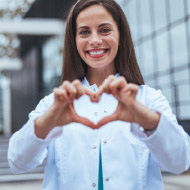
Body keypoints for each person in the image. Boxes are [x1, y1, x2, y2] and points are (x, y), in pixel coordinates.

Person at [8, 0, 190, 189]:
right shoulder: (53, 104)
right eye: (84, 32)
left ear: (121, 34)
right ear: (74, 40)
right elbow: (17, 162)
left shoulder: (148, 100)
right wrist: (47, 122)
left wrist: (147, 119)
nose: (94, 40)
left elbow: (180, 162)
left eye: (104, 30)